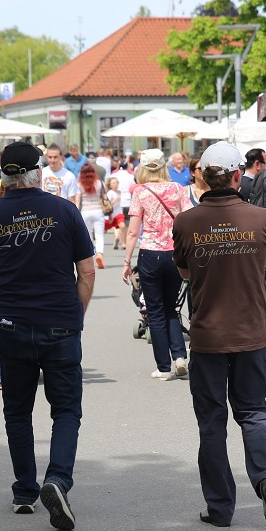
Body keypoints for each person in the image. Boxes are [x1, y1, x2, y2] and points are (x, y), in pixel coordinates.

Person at [0, 141, 96, 531]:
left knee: (17, 411)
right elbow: (87, 271)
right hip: (59, 322)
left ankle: (25, 491)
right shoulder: (64, 210)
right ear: (38, 172)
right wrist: (76, 315)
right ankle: (57, 480)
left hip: (11, 325)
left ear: (4, 176)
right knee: (66, 410)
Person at [172, 141, 266, 529]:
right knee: (254, 412)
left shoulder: (186, 221)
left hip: (207, 336)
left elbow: (186, 274)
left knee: (211, 423)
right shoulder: (260, 219)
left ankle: (220, 508)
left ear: (203, 176)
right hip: (251, 334)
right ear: (238, 175)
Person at [121, 148, 192, 380]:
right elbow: (189, 219)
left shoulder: (140, 191)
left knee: (155, 311)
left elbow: (132, 232)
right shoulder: (178, 189)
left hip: (150, 254)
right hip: (174, 254)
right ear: (164, 166)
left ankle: (164, 367)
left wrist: (126, 262)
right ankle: (180, 356)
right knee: (171, 307)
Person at [77, 162, 107, 269]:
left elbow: (77, 201)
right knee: (99, 235)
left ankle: (91, 255)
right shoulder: (99, 183)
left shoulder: (79, 184)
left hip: (85, 211)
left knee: (88, 235)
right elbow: (104, 197)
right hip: (98, 211)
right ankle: (99, 254)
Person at [112, 162, 135, 250]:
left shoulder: (114, 175)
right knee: (127, 223)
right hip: (128, 200)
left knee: (117, 222)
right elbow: (133, 188)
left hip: (118, 201)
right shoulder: (130, 176)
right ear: (127, 167)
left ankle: (117, 235)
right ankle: (125, 241)